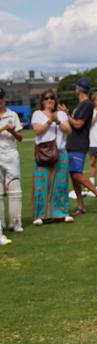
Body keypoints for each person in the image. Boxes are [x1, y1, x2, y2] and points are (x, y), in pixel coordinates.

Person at [58, 78, 97, 216]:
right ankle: (81, 206)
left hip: (78, 143)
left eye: (76, 87)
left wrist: (66, 114)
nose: (74, 89)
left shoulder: (87, 105)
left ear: (80, 89)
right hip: (72, 142)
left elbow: (78, 124)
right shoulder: (81, 105)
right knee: (73, 175)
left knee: (77, 174)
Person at [31, 89, 74, 225]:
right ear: (42, 101)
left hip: (60, 151)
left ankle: (61, 213)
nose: (50, 100)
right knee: (41, 184)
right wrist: (50, 121)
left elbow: (69, 131)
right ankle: (39, 215)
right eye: (47, 98)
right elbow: (38, 131)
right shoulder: (37, 114)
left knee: (60, 184)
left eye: (52, 98)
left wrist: (59, 121)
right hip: (43, 152)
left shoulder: (61, 114)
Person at [0, 87, 24, 234]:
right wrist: (4, 128)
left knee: (15, 190)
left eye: (1, 97)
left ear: (4, 98)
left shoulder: (12, 115)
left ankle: (16, 223)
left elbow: (20, 138)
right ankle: (1, 224)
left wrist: (12, 131)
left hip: (11, 154)